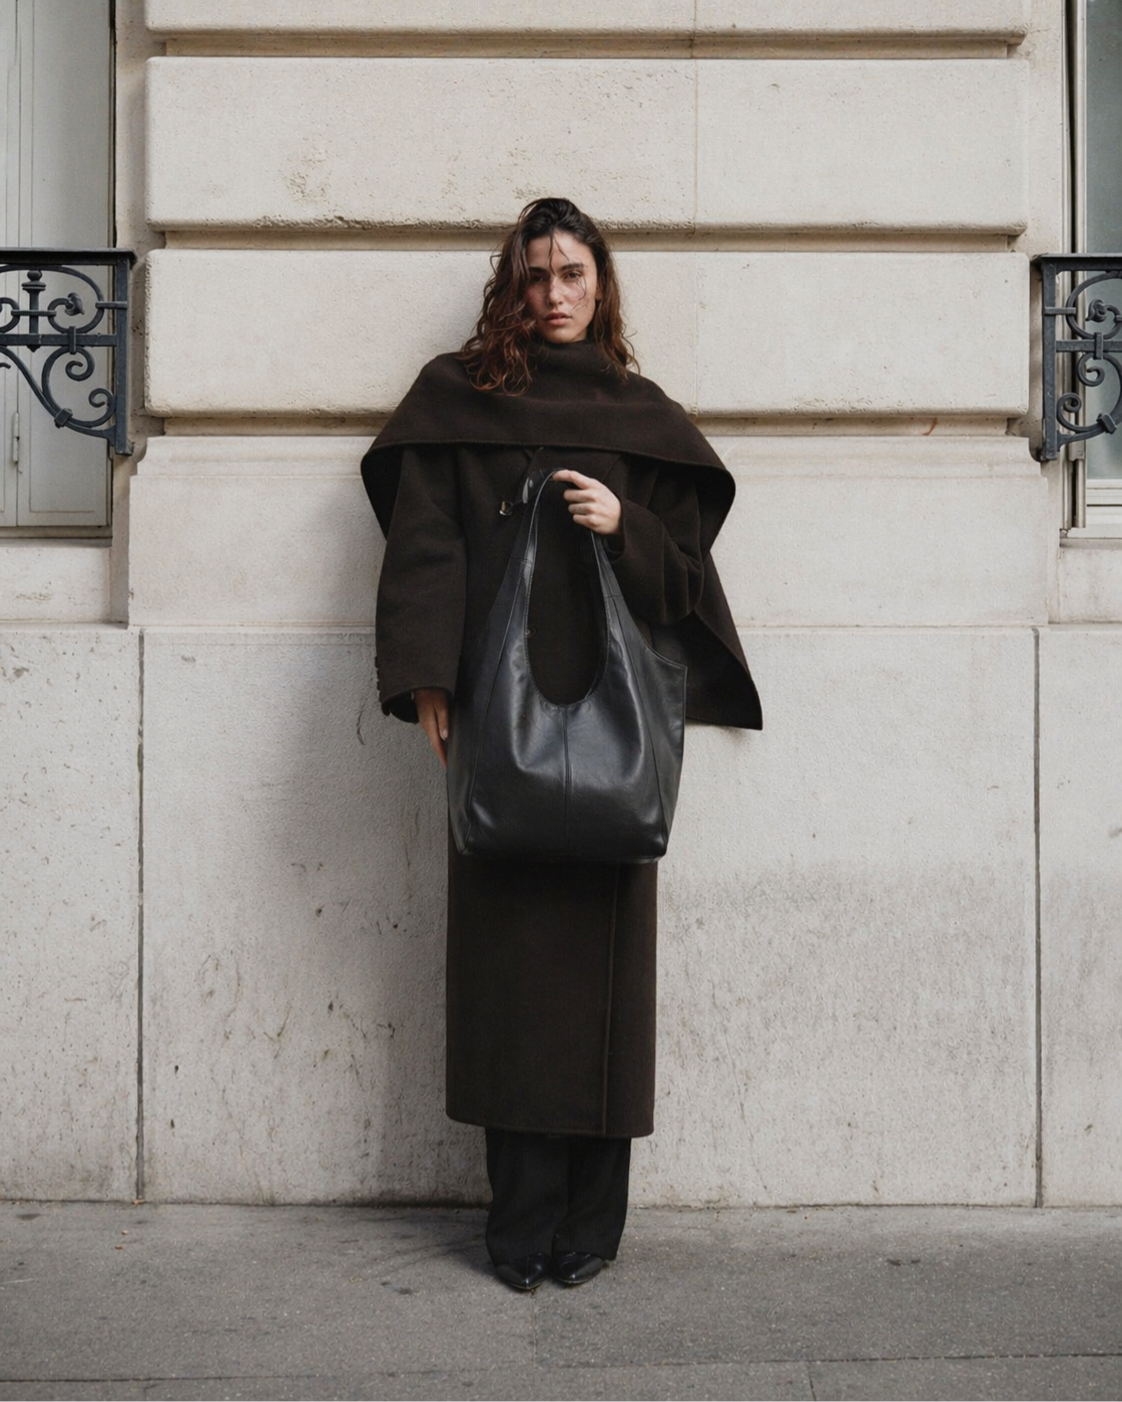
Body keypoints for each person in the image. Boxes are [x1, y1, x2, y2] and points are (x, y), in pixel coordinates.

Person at [361, 197, 761, 1293]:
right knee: (511, 984)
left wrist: (625, 525)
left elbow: (686, 580)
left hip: (614, 738)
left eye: (573, 273)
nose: (554, 293)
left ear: (601, 285)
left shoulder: (642, 417)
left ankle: (593, 1223)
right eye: (535, 274)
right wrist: (427, 677)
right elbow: (426, 544)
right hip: (499, 730)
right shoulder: (460, 401)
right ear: (512, 287)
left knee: (604, 994)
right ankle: (519, 1222)